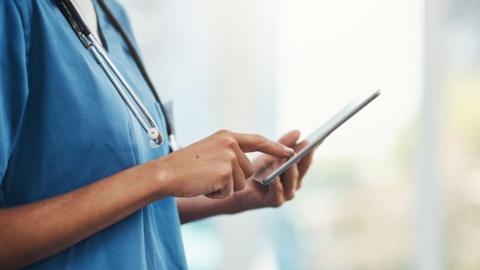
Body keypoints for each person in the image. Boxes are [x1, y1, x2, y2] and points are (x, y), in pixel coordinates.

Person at [0, 0, 315, 269]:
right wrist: (163, 173)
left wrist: (235, 194)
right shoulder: (13, 12)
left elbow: (124, 205)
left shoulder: (111, 16)